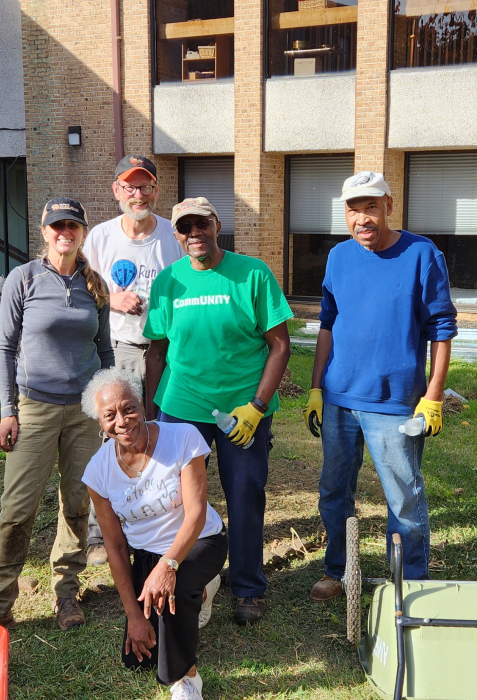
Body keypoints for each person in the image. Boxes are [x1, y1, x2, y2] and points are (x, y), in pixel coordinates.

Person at [303, 172, 457, 601]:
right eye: (353, 208)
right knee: (334, 491)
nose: (363, 218)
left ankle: (409, 582)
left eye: (371, 206)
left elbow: (441, 329)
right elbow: (328, 324)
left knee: (403, 498)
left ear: (389, 204)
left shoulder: (422, 254)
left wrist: (433, 397)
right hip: (338, 399)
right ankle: (338, 570)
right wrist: (316, 388)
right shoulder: (338, 257)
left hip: (394, 402)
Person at [143, 197, 293, 625]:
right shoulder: (169, 281)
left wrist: (257, 406)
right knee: (174, 500)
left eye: (201, 224)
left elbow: (279, 345)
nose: (194, 233)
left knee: (244, 495)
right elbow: (157, 352)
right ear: (175, 234)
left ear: (216, 225)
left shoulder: (252, 274)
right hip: (181, 407)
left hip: (241, 410)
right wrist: (154, 416)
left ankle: (247, 587)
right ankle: (181, 576)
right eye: (184, 227)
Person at [0, 197, 114, 630]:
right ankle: (1, 599)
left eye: (73, 226)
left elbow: (104, 351)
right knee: (17, 508)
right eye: (57, 226)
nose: (65, 232)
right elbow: (5, 347)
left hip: (83, 410)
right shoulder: (22, 279)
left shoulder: (94, 284)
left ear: (82, 233)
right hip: (34, 408)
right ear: (44, 232)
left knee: (77, 503)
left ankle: (66, 592)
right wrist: (8, 411)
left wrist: (106, 407)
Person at [81, 368, 228, 700]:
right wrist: (133, 616)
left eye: (129, 408)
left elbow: (196, 514)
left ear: (143, 404)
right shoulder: (98, 472)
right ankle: (202, 593)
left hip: (200, 540)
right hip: (147, 553)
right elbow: (116, 548)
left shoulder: (184, 437)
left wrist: (168, 568)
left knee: (168, 596)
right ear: (100, 422)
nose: (122, 420)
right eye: (110, 415)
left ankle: (186, 680)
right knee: (138, 656)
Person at [83, 154, 183, 566]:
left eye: (145, 186)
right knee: (113, 434)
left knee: (159, 431)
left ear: (155, 191)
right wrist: (111, 301)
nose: (137, 194)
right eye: (129, 186)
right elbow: (81, 293)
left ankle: (157, 517)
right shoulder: (101, 238)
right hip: (119, 350)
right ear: (116, 191)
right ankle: (97, 532)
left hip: (165, 351)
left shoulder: (172, 237)